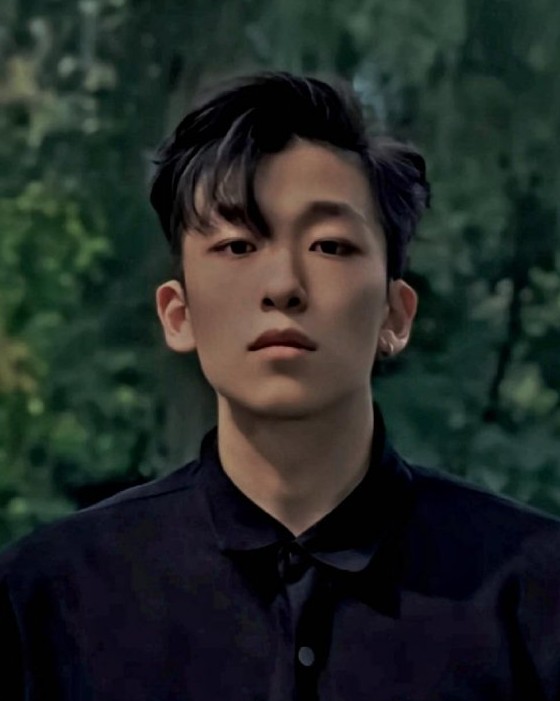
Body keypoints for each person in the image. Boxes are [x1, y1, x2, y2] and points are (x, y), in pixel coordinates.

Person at [1, 71, 560, 701]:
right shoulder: (48, 599)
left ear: (395, 314)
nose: (284, 286)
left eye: (330, 245)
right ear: (178, 315)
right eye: (239, 245)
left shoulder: (535, 593)